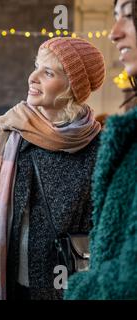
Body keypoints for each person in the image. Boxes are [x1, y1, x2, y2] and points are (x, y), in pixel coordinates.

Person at [0, 37, 105, 300]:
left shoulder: (96, 145)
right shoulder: (6, 133)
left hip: (66, 284)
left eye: (47, 73)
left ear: (72, 89)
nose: (32, 77)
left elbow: (99, 224)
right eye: (36, 66)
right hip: (8, 278)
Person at [65, 0, 137, 299]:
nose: (114, 32)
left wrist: (79, 289)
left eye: (129, 17)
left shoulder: (98, 138)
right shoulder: (11, 130)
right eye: (114, 17)